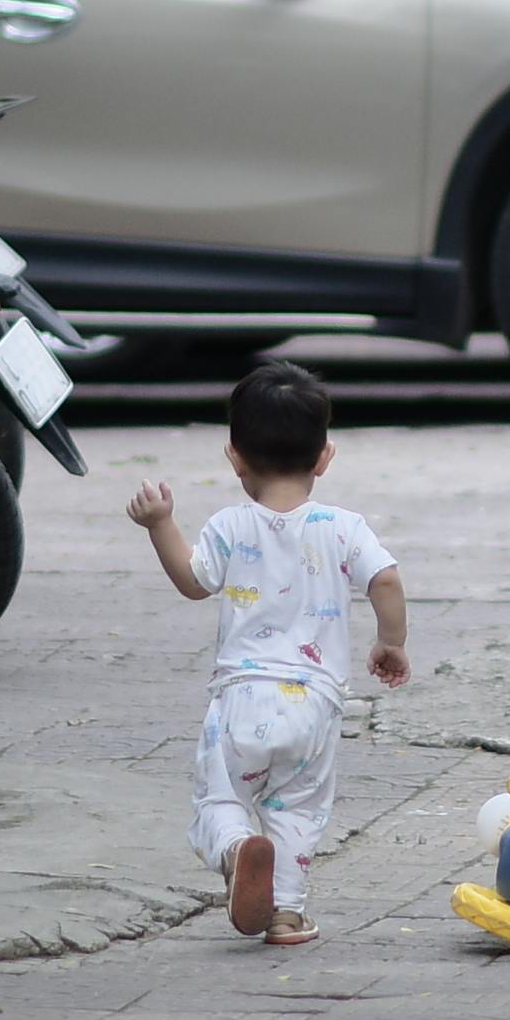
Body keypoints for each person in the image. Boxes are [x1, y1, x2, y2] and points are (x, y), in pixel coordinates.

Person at [128, 362, 410, 945]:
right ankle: (284, 912)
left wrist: (160, 523)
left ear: (234, 456)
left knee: (223, 796)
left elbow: (192, 580)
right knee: (298, 810)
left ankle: (235, 850)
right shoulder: (343, 526)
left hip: (241, 701)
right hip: (314, 705)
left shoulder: (230, 524)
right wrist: (391, 642)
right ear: (325, 457)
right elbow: (385, 579)